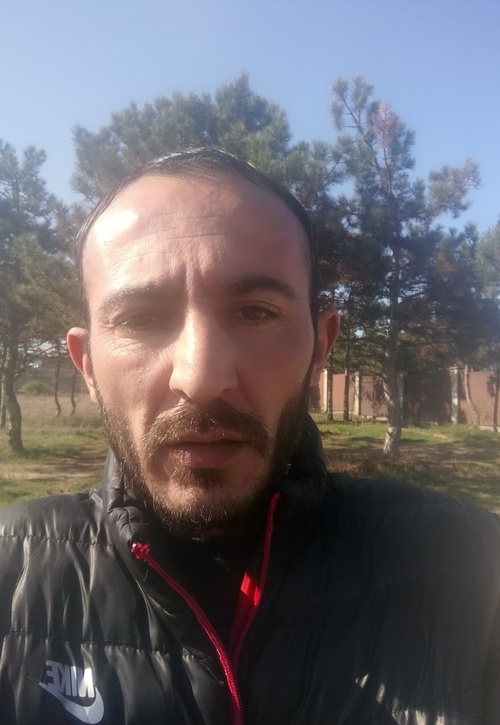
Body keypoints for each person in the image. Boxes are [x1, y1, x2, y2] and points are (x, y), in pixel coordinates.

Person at [0, 148, 499, 725]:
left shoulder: (472, 569)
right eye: (140, 318)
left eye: (256, 313)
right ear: (87, 364)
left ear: (320, 347)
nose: (201, 379)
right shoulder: (10, 573)